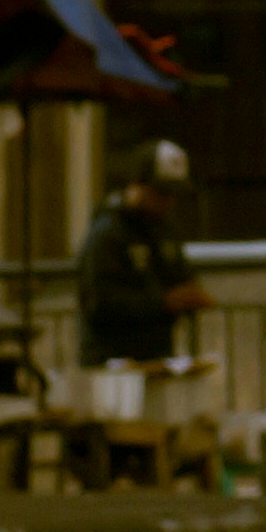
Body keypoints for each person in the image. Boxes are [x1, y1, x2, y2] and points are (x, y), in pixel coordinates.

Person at [76, 136, 214, 370]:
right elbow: (99, 302)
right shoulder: (107, 233)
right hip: (113, 360)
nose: (168, 202)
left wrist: (190, 292)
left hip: (156, 356)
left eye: (172, 195)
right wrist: (162, 302)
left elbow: (177, 272)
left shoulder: (165, 230)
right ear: (137, 185)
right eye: (161, 193)